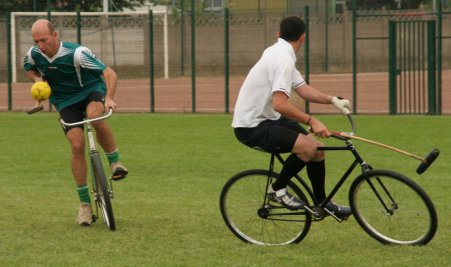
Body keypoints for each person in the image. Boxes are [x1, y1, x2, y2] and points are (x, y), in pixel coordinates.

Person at [232, 16, 352, 220]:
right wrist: (312, 120)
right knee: (307, 148)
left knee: (317, 150)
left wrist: (332, 100)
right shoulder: (283, 59)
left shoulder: (278, 52)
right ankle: (277, 190)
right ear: (303, 38)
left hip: (268, 118)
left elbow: (303, 89)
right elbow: (280, 103)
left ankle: (323, 205)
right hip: (251, 126)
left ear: (278, 34)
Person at [23, 19, 128, 226]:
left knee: (95, 116)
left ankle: (115, 162)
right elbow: (29, 68)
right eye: (36, 41)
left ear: (54, 35)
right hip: (64, 101)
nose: (41, 45)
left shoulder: (77, 53)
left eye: (44, 40)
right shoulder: (34, 54)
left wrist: (109, 98)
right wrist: (37, 80)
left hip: (90, 91)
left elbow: (109, 73)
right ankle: (85, 206)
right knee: (77, 144)